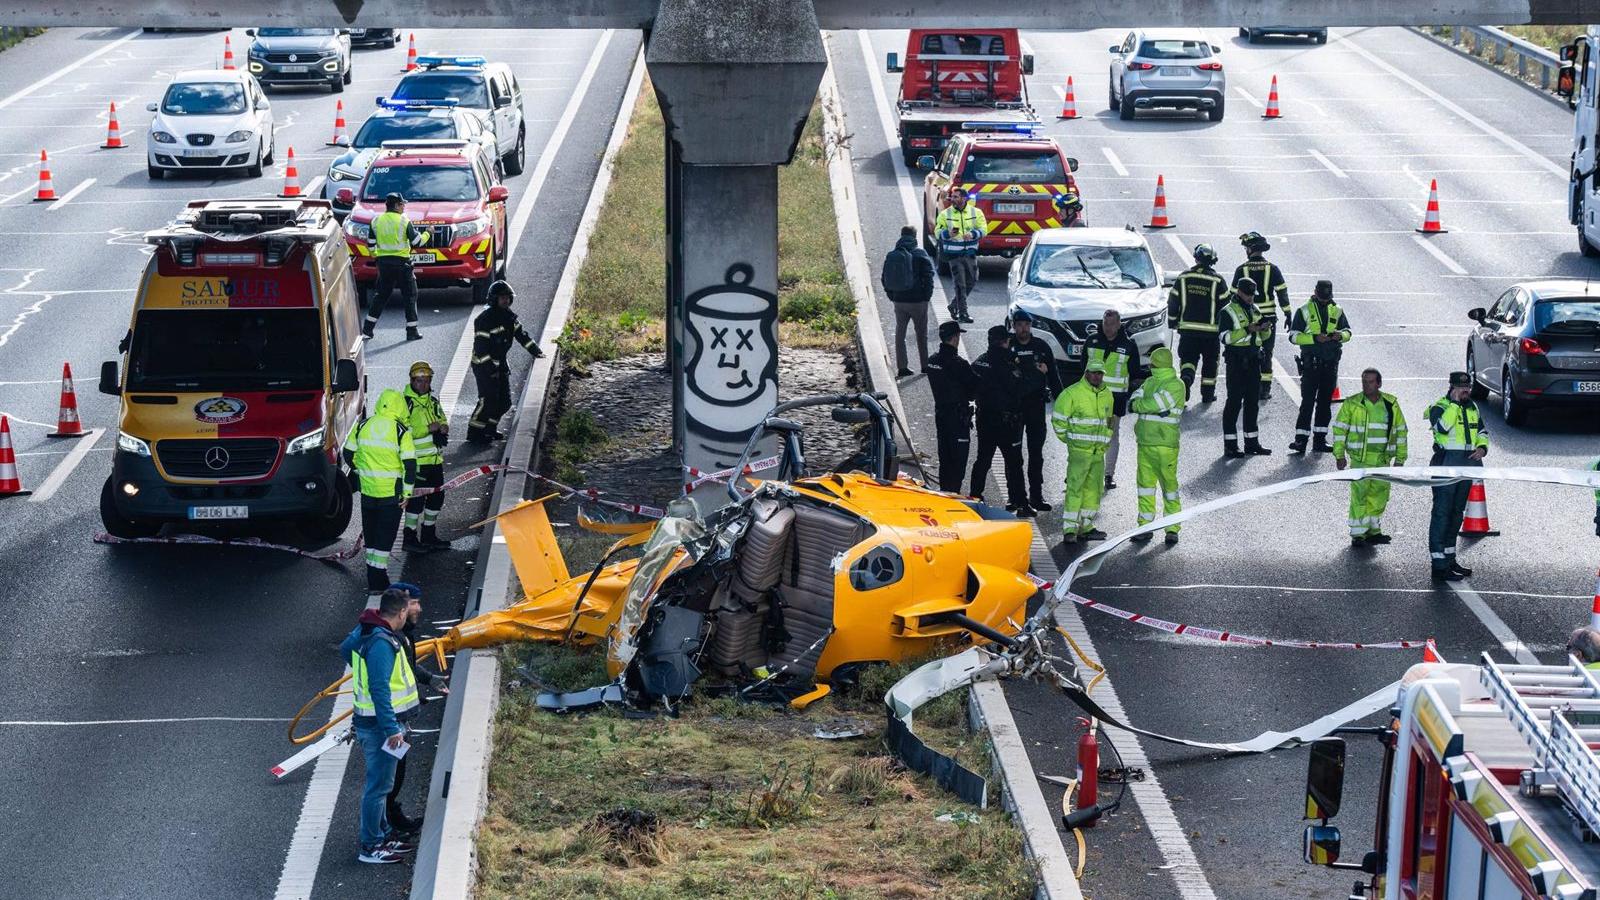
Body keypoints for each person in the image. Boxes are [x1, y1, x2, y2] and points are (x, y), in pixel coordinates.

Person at [342, 587, 421, 864]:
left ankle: (383, 833)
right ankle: (371, 846)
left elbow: (345, 649)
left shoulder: (367, 631)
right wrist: (392, 729)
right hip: (380, 727)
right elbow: (380, 690)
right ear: (400, 613)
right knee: (378, 787)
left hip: (372, 723)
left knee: (383, 786)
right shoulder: (382, 643)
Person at [382, 582, 449, 833]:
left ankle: (390, 818)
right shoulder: (390, 639)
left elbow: (407, 669)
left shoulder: (403, 635)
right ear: (401, 608)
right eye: (414, 604)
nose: (419, 609)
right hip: (390, 721)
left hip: (398, 719)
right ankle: (382, 829)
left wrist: (430, 680)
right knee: (387, 778)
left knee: (395, 775)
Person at [344, 389, 417, 594]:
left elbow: (348, 453)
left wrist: (361, 469)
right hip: (390, 495)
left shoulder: (364, 424)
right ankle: (377, 580)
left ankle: (375, 577)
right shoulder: (400, 430)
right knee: (385, 539)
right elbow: (410, 464)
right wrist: (407, 493)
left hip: (368, 492)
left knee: (372, 536)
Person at [1332, 369, 1408, 547]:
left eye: (1371, 382)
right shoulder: (1352, 404)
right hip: (1360, 460)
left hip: (1382, 460)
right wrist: (1339, 454)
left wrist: (1400, 458)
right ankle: (1358, 534)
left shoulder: (1391, 404)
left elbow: (1401, 431)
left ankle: (1373, 531)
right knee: (1360, 496)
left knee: (1379, 495)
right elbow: (1340, 429)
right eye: (1364, 382)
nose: (1366, 385)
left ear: (1379, 384)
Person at [1426, 371, 1488, 581]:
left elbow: (1482, 432)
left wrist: (1482, 448)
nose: (1466, 391)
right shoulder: (1440, 407)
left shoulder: (1472, 406)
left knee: (1456, 513)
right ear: (1452, 387)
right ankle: (1438, 564)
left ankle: (1450, 559)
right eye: (1462, 388)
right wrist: (1454, 404)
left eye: (1468, 387)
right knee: (1442, 513)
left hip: (1467, 465)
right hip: (1446, 464)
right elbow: (1443, 428)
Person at [467, 280, 544, 443]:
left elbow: (522, 336)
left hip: (500, 364)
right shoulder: (484, 320)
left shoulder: (509, 318)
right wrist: (490, 369)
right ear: (494, 299)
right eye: (502, 298)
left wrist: (537, 351)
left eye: (508, 297)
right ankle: (475, 432)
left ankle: (490, 429)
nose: (506, 301)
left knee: (504, 402)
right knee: (488, 400)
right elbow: (481, 349)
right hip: (483, 365)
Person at [1082, 308, 1145, 490]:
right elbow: (1083, 366)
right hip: (1090, 397)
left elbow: (1134, 373)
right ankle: (1085, 471)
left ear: (1119, 324)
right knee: (1087, 435)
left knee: (1110, 437)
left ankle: (1108, 475)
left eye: (1112, 324)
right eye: (1105, 323)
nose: (1108, 328)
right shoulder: (1091, 341)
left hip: (1114, 400)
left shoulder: (1128, 345)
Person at [969, 324, 1029, 514]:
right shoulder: (1010, 363)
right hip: (1007, 423)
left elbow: (970, 388)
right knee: (1014, 463)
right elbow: (1019, 389)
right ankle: (1019, 502)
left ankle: (974, 496)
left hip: (985, 419)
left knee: (983, 460)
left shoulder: (979, 362)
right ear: (1005, 341)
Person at [1052, 360, 1114, 543]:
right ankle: (1070, 529)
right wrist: (1071, 441)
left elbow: (1109, 421)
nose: (1097, 376)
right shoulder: (1072, 393)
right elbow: (1058, 421)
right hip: (1080, 452)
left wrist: (1104, 442)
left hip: (1097, 453)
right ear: (1086, 373)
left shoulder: (1107, 394)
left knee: (1093, 490)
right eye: (1093, 373)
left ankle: (1086, 526)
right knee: (1075, 488)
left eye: (1100, 373)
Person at [1288, 280, 1352, 454]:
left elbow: (1348, 331)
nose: (1324, 301)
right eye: (1322, 297)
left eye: (1327, 298)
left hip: (1330, 365)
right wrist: (1315, 338)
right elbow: (1293, 336)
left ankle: (1320, 441)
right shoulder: (1304, 311)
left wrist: (1340, 336)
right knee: (1307, 403)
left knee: (1324, 404)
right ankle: (1300, 441)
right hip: (1311, 364)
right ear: (1315, 292)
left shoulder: (1337, 310)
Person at [1127, 346, 1183, 545]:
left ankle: (1172, 528)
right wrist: (1147, 405)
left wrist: (1142, 405)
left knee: (1168, 487)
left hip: (1163, 444)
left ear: (1154, 365)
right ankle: (1146, 526)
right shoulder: (1154, 382)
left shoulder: (1176, 385)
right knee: (1146, 488)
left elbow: (1148, 403)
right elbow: (1136, 399)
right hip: (1147, 443)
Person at [1010, 310, 1063, 510]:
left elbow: (1054, 376)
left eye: (1026, 324)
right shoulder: (1009, 345)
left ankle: (1036, 497)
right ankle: (1015, 497)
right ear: (1014, 326)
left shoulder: (1041, 346)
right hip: (1014, 408)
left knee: (1036, 454)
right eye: (1020, 325)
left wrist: (1063, 400)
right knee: (1014, 456)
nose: (1023, 328)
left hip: (1036, 407)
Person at [363, 193, 430, 341]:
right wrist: (428, 233)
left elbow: (370, 244)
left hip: (384, 265)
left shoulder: (376, 221)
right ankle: (411, 331)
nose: (404, 207)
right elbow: (418, 242)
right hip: (402, 265)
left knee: (380, 296)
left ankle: (367, 329)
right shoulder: (404, 221)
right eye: (402, 204)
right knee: (410, 296)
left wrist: (376, 257)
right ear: (397, 205)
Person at [1233, 231, 1291, 400]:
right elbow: (1282, 293)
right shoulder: (1272, 269)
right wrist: (1288, 313)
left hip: (1247, 318)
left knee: (1246, 352)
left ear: (1250, 249)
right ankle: (1264, 389)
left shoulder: (1241, 269)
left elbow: (1232, 296)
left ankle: (1247, 387)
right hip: (1268, 318)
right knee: (1266, 353)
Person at [1167, 243, 1228, 403]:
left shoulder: (1184, 277)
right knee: (1210, 364)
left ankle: (1186, 379)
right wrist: (1225, 329)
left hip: (1188, 331)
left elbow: (1173, 301)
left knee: (1188, 360)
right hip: (1211, 333)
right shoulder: (1218, 281)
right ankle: (1207, 395)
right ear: (1213, 261)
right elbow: (1226, 306)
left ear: (1196, 257)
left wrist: (1172, 322)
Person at [1219, 278, 1273, 458]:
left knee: (1252, 403)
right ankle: (1230, 445)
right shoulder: (1228, 311)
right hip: (1236, 363)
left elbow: (1264, 337)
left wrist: (1265, 327)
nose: (1251, 298)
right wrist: (1247, 329)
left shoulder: (1255, 309)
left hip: (1253, 362)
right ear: (1239, 292)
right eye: (1248, 294)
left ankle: (1252, 443)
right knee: (1233, 403)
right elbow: (1225, 338)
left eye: (1253, 295)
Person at [402, 361, 449, 553]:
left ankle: (429, 535)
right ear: (412, 381)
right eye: (419, 381)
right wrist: (426, 429)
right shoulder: (405, 403)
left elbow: (442, 418)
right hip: (418, 463)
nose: (423, 384)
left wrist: (444, 426)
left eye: (426, 381)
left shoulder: (433, 401)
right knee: (415, 502)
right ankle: (410, 538)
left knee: (437, 498)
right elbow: (402, 430)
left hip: (435, 461)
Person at [926, 320, 978, 493]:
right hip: (958, 419)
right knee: (958, 462)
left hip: (941, 415)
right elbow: (973, 392)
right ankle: (953, 495)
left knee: (945, 458)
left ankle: (944, 492)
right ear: (955, 338)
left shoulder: (932, 361)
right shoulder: (959, 364)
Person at [882, 225, 936, 377]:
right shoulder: (920, 254)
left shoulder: (893, 254)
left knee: (900, 333)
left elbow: (884, 278)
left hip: (899, 301)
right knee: (921, 334)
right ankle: (925, 365)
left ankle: (902, 367)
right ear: (915, 236)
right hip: (918, 302)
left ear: (901, 235)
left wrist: (892, 296)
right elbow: (929, 277)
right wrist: (927, 296)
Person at [935, 188, 986, 324]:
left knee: (972, 280)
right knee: (960, 284)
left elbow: (983, 229)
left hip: (970, 253)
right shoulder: (945, 214)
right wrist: (947, 234)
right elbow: (937, 231)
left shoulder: (976, 212)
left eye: (956, 197)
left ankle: (953, 306)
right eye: (952, 196)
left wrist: (973, 234)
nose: (953, 199)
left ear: (964, 198)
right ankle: (963, 313)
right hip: (954, 254)